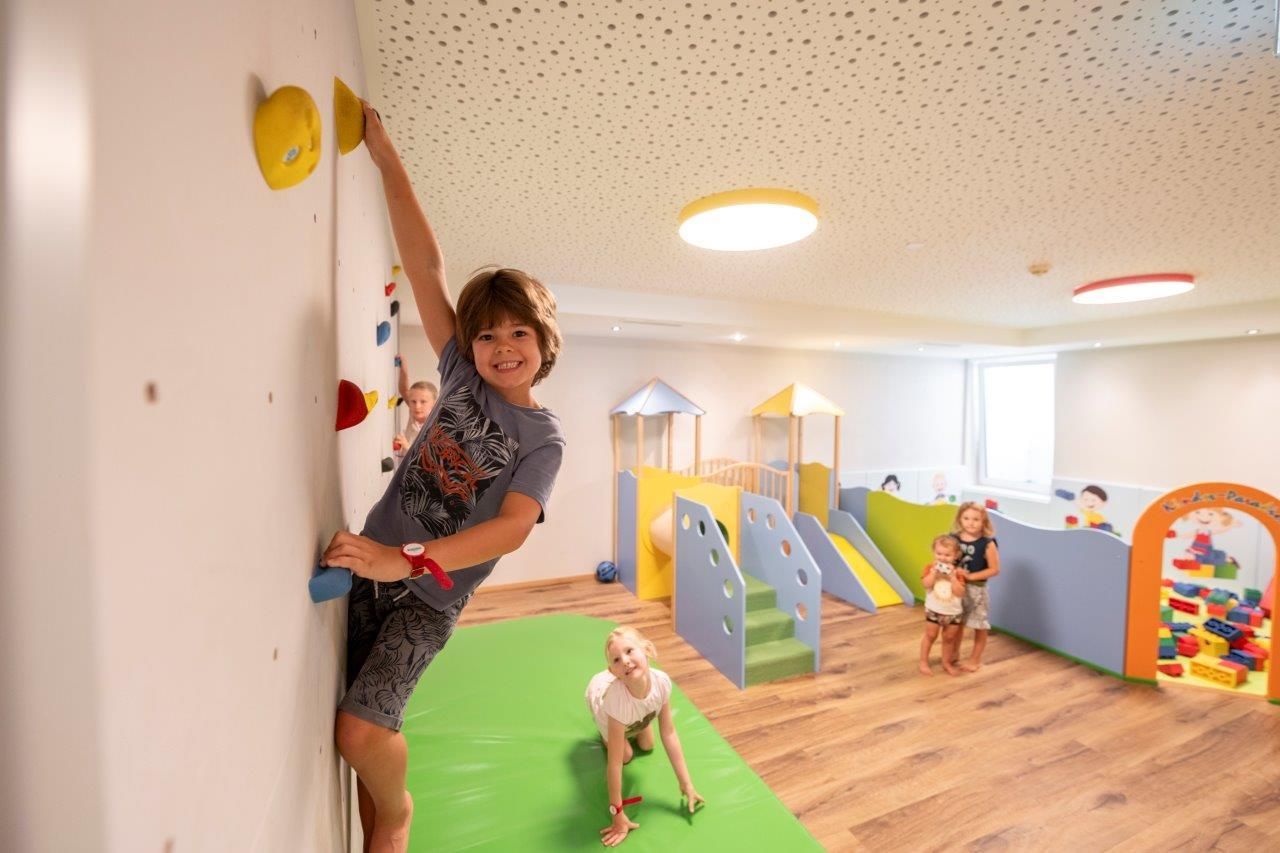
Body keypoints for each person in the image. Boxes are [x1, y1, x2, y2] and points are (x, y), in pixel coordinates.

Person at [322, 102, 566, 853]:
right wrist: (385, 156)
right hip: (371, 564)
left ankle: (398, 815)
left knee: (360, 731)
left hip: (427, 596)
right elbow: (426, 266)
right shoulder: (458, 371)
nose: (501, 345)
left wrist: (406, 560)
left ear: (544, 341)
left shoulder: (543, 438)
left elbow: (511, 529)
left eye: (518, 331)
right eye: (486, 332)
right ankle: (380, 824)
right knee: (360, 727)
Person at [585, 626, 705, 847]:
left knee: (648, 744)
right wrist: (617, 813)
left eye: (629, 651)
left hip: (630, 714)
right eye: (616, 660)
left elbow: (668, 732)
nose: (625, 661)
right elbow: (614, 765)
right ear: (613, 672)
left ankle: (636, 723)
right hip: (605, 708)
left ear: (647, 649)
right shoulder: (615, 701)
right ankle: (612, 735)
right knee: (625, 756)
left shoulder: (661, 682)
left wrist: (686, 783)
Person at [952, 502, 1000, 672]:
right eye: (966, 518)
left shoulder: (987, 543)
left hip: (977, 590)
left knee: (979, 625)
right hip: (957, 587)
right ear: (960, 519)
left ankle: (975, 660)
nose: (970, 523)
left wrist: (971, 576)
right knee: (956, 624)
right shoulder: (953, 539)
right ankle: (954, 653)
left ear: (983, 521)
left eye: (975, 519)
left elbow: (994, 569)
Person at [918, 535, 966, 676]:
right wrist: (933, 574)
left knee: (949, 638)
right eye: (939, 554)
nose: (943, 558)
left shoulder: (958, 572)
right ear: (934, 552)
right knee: (930, 635)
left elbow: (960, 593)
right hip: (934, 609)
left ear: (955, 556)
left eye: (947, 555)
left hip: (953, 612)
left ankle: (946, 663)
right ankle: (923, 662)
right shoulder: (930, 568)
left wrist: (953, 578)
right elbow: (925, 584)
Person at [392, 356, 438, 460]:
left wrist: (406, 445)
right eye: (413, 401)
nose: (417, 406)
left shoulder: (436, 428)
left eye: (423, 402)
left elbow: (429, 461)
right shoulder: (416, 411)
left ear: (434, 404)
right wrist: (404, 367)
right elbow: (404, 390)